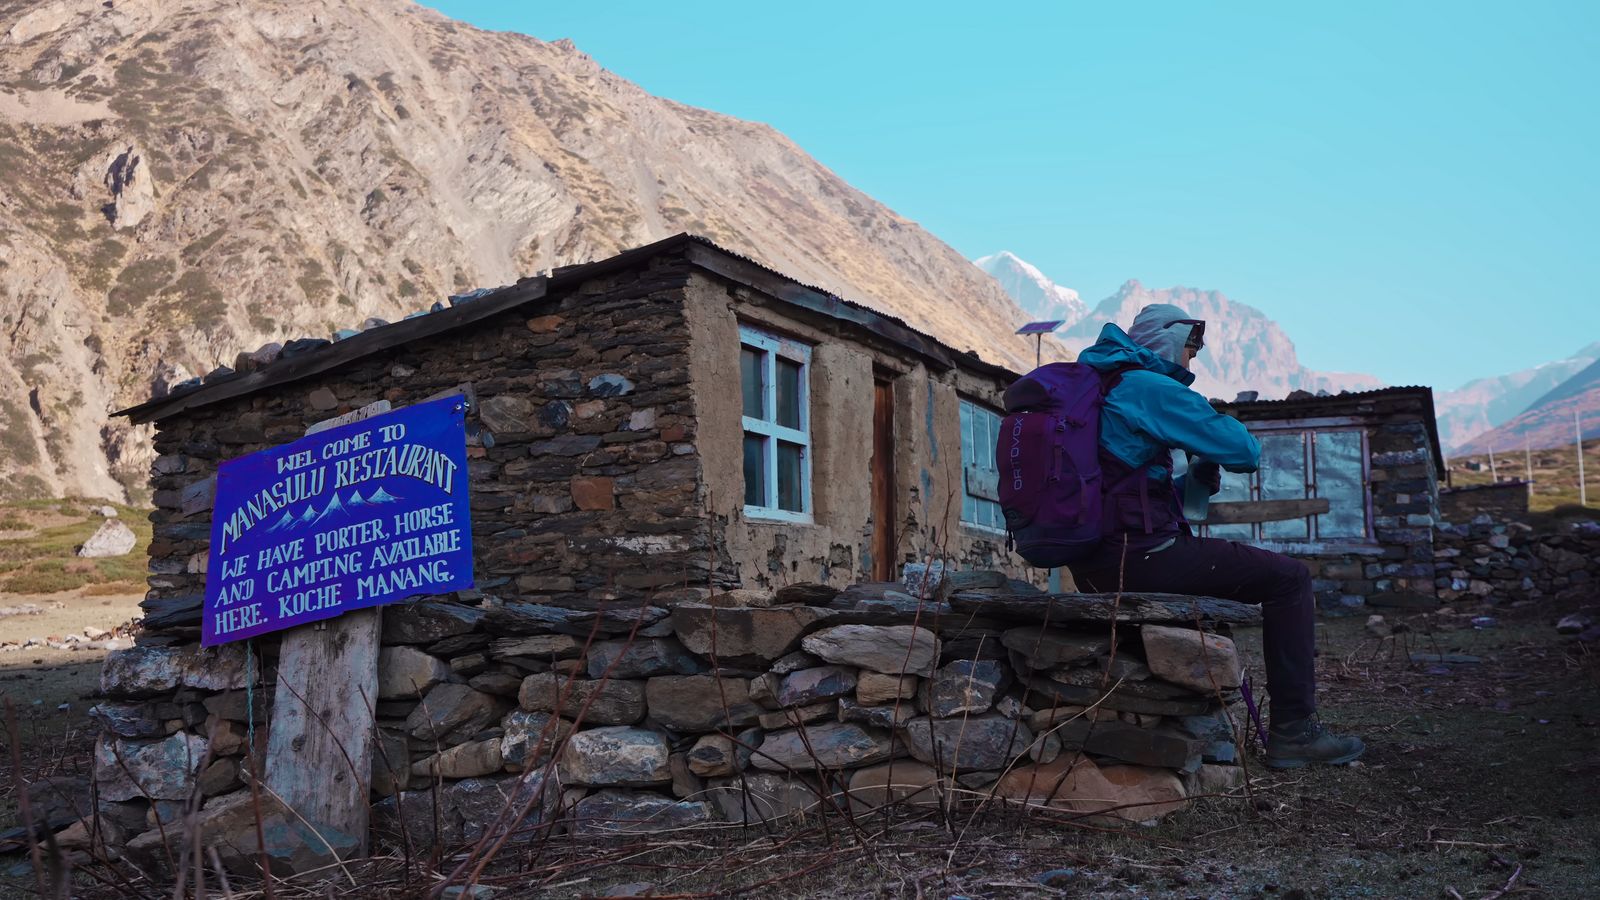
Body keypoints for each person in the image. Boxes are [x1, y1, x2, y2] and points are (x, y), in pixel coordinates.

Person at [1067, 303, 1365, 768]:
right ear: (1170, 340)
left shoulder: (1097, 390)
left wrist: (1193, 480)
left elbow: (1127, 491)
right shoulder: (1147, 387)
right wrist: (1203, 427)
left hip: (1092, 561)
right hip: (1141, 556)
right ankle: (1295, 733)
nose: (1194, 359)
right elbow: (1244, 450)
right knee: (1289, 579)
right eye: (1193, 347)